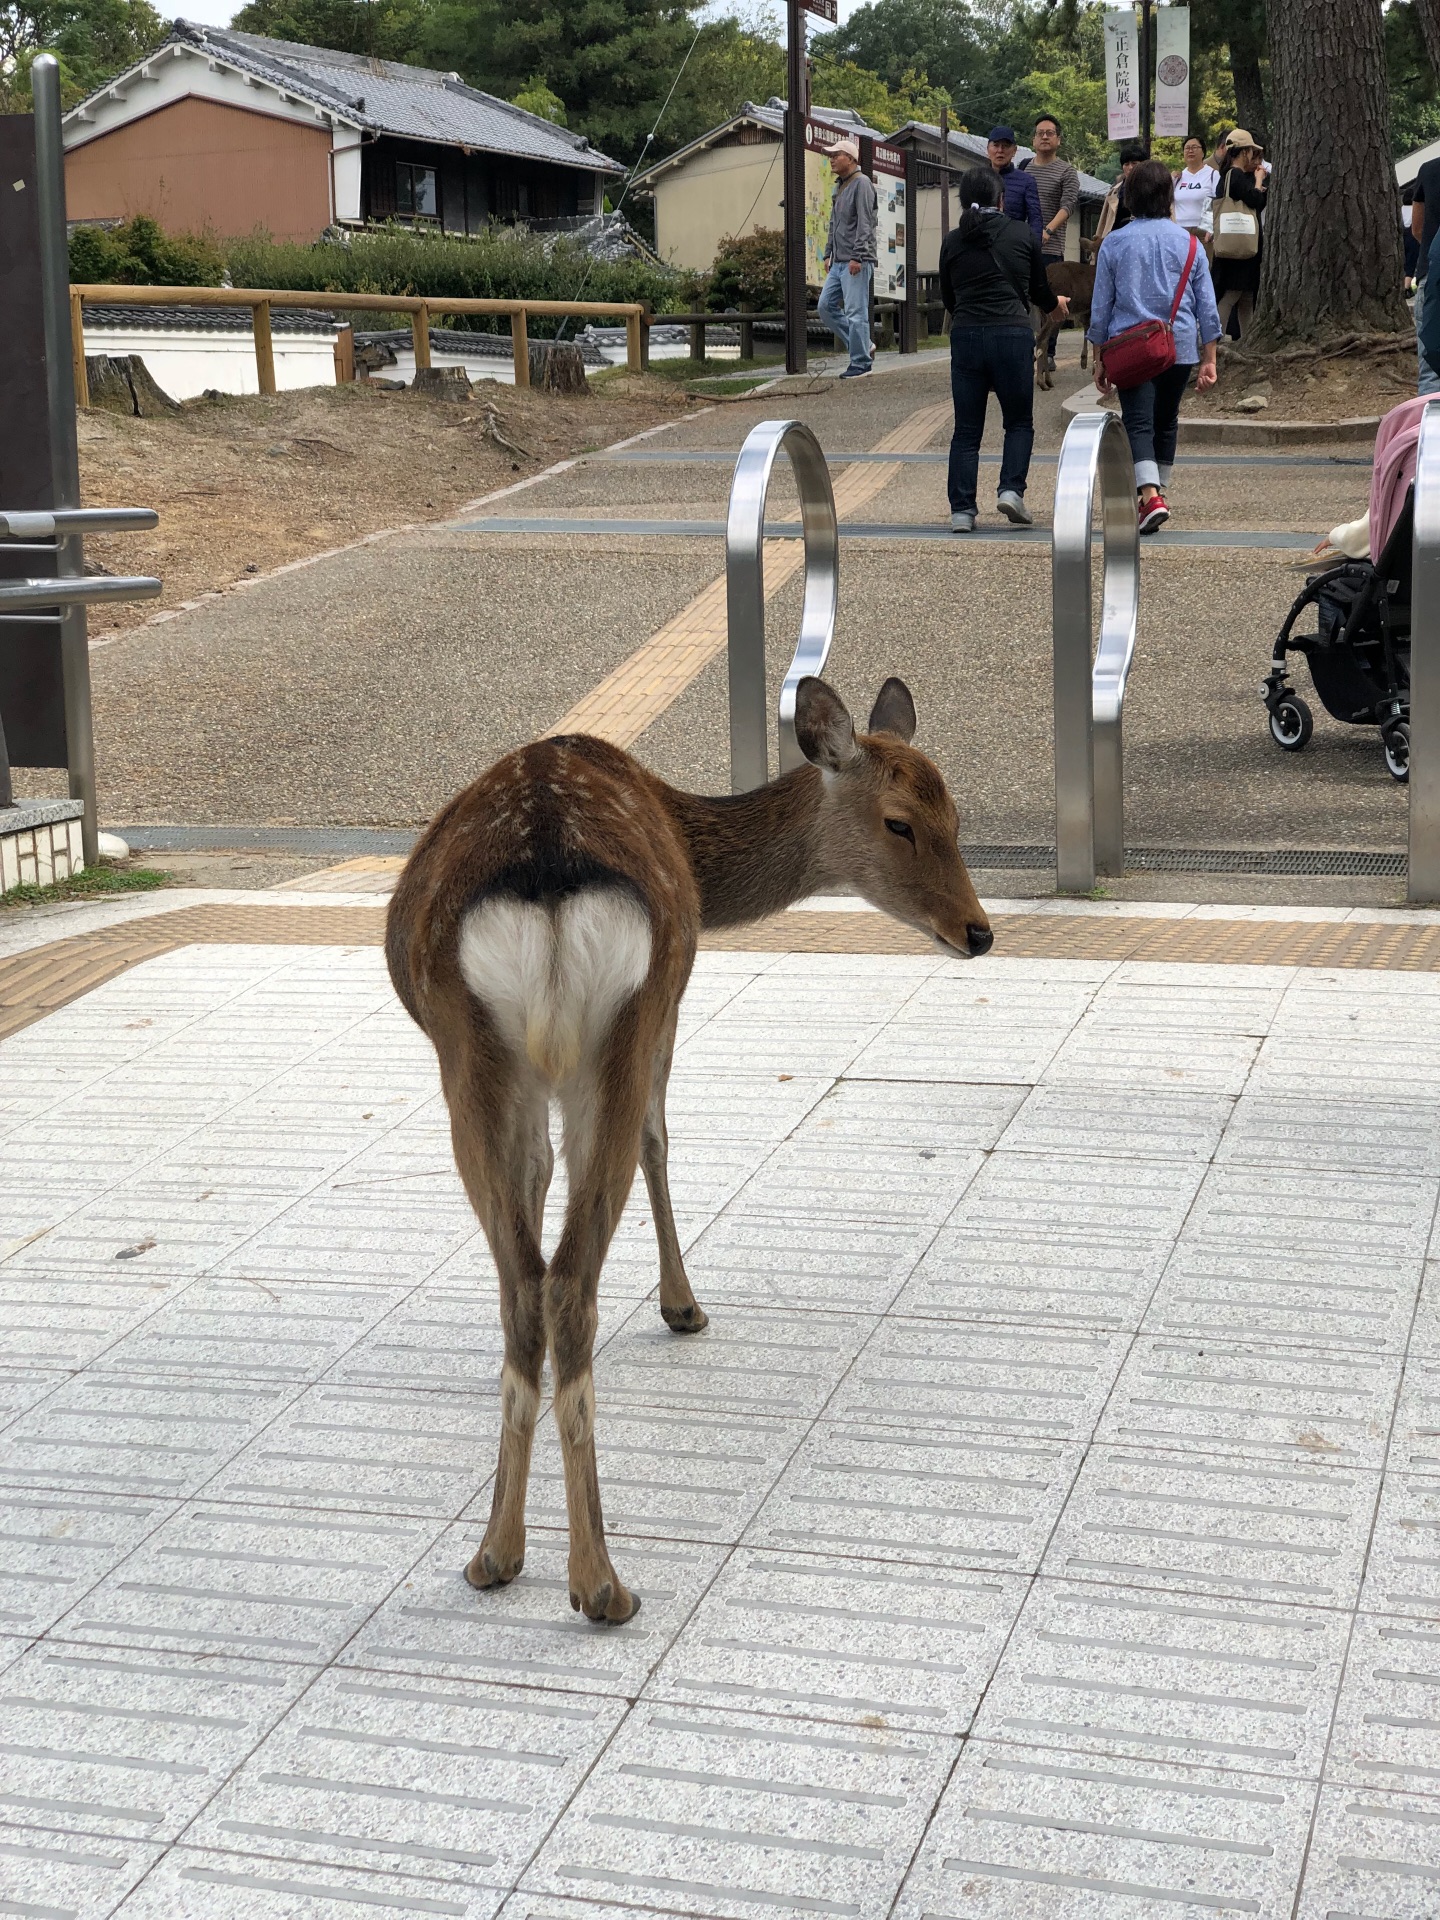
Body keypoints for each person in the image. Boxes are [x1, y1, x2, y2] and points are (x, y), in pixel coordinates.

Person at [1088, 158, 1220, 536]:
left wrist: (1099, 357)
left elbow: (1102, 306)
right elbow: (1207, 307)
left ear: (1130, 197)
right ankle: (1155, 494)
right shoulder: (1190, 244)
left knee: (1139, 421)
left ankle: (1150, 496)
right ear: (1168, 197)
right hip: (1178, 348)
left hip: (1132, 348)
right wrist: (1209, 359)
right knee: (1166, 419)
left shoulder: (1114, 243)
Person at [939, 165, 1067, 532]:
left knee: (966, 429)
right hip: (1011, 335)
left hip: (966, 337)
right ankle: (1011, 490)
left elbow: (949, 297)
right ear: (1001, 198)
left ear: (964, 201)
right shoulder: (1022, 233)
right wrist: (1055, 303)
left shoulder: (952, 240)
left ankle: (962, 511)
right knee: (1018, 421)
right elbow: (1040, 292)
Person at [818, 137, 878, 380]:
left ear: (851, 159)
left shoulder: (862, 183)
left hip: (856, 261)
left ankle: (861, 362)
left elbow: (866, 223)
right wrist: (827, 252)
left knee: (856, 312)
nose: (831, 159)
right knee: (825, 306)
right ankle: (864, 345)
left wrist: (858, 256)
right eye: (830, 155)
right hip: (838, 261)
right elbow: (834, 223)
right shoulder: (839, 185)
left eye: (836, 155)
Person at [1211, 129, 1267, 340]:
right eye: (1252, 152)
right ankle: (1217, 335)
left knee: (1245, 294)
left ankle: (1247, 338)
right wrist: (1259, 181)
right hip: (1240, 247)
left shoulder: (1227, 176)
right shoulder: (1235, 175)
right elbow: (1255, 200)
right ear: (1243, 152)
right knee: (1233, 293)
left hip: (1237, 245)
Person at [1021, 114, 1080, 264]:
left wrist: (1047, 231)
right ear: (1033, 140)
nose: (1045, 137)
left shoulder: (1067, 171)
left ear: (1058, 139)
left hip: (1050, 250)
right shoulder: (1023, 168)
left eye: (1050, 133)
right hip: (1021, 247)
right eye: (1040, 133)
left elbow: (1068, 205)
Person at [1412, 150, 1440, 394]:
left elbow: (1417, 228)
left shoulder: (1429, 170)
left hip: (1431, 276)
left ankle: (1431, 429)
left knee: (1430, 370)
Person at [987, 126, 1042, 240]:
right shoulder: (978, 178)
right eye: (996, 145)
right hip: (982, 245)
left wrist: (1033, 248)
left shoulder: (1026, 181)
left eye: (1005, 146)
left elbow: (1035, 219)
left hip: (1013, 244)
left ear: (1014, 150)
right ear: (988, 149)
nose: (1000, 150)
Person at [1173, 135, 1220, 257]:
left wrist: (1211, 228)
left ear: (1203, 152)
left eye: (1194, 147)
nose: (1190, 150)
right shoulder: (1178, 177)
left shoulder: (1212, 174)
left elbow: (1217, 202)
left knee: (1202, 271)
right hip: (1180, 231)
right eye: (1187, 148)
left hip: (1203, 232)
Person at [1095, 142, 1147, 243]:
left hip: (1143, 241)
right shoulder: (1115, 191)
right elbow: (1104, 222)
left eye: (1134, 163)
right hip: (1117, 241)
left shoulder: (1154, 188)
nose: (1130, 167)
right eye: (1126, 164)